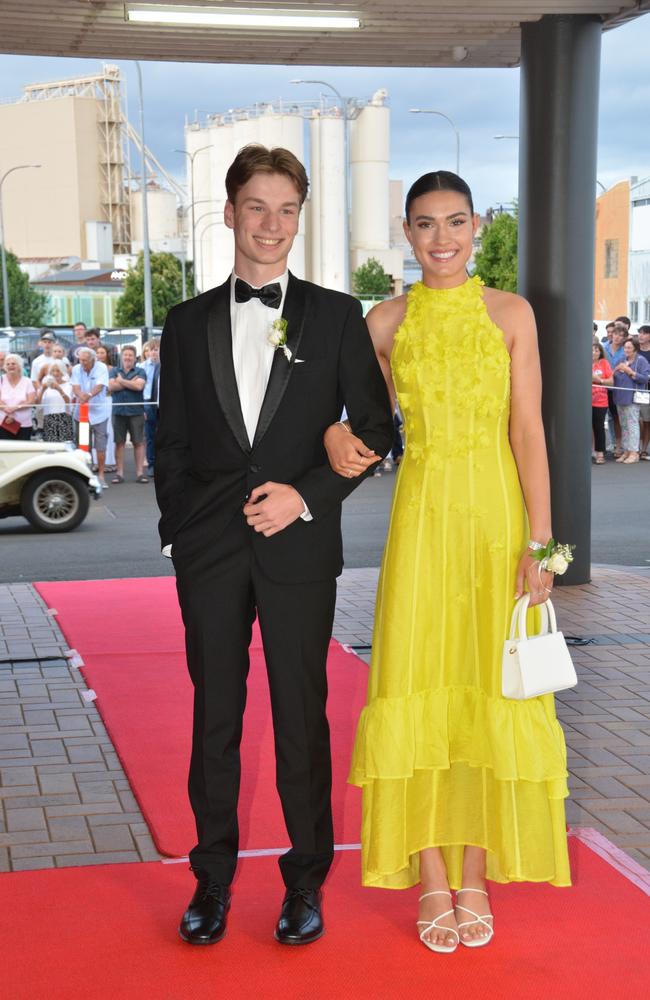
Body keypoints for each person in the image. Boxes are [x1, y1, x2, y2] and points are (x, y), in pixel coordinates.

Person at [155, 144, 393, 949]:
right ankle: (211, 883)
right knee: (215, 719)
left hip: (299, 548)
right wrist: (179, 535)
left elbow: (374, 427)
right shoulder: (184, 324)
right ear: (229, 213)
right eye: (257, 206)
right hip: (210, 555)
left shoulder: (335, 316)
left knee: (301, 718)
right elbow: (172, 441)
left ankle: (304, 884)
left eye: (287, 210)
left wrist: (307, 496)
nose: (272, 224)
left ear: (301, 217)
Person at [326, 171, 570, 953]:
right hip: (423, 522)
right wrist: (334, 437)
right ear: (407, 233)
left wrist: (545, 543)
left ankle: (474, 874)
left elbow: (529, 429)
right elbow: (362, 421)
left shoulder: (511, 314)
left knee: (487, 685)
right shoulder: (383, 322)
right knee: (415, 681)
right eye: (426, 225)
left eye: (456, 222)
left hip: (498, 522)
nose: (442, 239)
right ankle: (431, 875)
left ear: (476, 227)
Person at [71, 347, 111, 487]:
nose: (82, 363)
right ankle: (85, 475)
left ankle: (101, 475)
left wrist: (87, 395)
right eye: (80, 360)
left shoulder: (101, 368)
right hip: (81, 413)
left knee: (101, 446)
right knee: (83, 446)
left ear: (92, 359)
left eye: (85, 360)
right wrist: (80, 395)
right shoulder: (76, 368)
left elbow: (100, 386)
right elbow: (75, 387)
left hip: (99, 413)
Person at [108, 345, 148, 483]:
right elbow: (111, 387)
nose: (128, 357)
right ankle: (119, 474)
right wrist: (130, 382)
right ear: (122, 356)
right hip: (119, 412)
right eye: (125, 355)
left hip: (136, 411)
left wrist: (121, 381)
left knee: (138, 442)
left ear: (134, 357)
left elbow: (139, 386)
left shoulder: (141, 371)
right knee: (119, 443)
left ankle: (140, 473)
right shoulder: (114, 370)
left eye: (130, 355)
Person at [612, 336, 650, 464]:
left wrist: (630, 371)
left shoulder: (641, 360)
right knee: (624, 425)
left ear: (635, 349)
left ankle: (634, 452)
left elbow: (645, 378)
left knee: (632, 424)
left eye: (629, 348)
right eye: (625, 347)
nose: (626, 350)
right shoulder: (622, 359)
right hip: (620, 396)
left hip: (632, 397)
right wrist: (616, 369)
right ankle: (626, 450)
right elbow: (615, 376)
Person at [603, 322, 627, 455]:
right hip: (602, 387)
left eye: (621, 336)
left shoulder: (625, 350)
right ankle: (603, 446)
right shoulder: (603, 347)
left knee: (616, 417)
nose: (617, 337)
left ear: (624, 338)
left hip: (617, 388)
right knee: (599, 418)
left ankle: (619, 446)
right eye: (616, 334)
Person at [35, 360, 73, 442]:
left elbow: (68, 401)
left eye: (58, 370)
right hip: (49, 418)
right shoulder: (45, 386)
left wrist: (59, 389)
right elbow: (38, 403)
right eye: (53, 371)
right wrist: (42, 390)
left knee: (64, 446)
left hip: (64, 417)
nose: (55, 373)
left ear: (63, 372)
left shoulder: (68, 385)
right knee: (51, 447)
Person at [0, 352, 36, 439]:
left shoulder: (27, 381)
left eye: (13, 363)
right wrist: (7, 410)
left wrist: (15, 408)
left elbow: (31, 401)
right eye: (7, 364)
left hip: (24, 424)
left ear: (19, 366)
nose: (10, 366)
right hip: (3, 422)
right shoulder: (1, 380)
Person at [592, 342, 613, 464]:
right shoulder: (583, 362)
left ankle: (600, 453)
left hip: (600, 401)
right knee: (586, 427)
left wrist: (599, 380)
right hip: (585, 401)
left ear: (600, 352)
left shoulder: (604, 363)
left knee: (599, 427)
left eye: (596, 350)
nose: (594, 352)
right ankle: (590, 451)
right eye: (592, 350)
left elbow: (611, 381)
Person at [142, 337, 160, 476]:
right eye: (152, 350)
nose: (154, 353)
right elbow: (140, 389)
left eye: (157, 349)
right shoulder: (142, 367)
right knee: (150, 437)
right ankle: (152, 464)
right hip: (148, 405)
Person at [637, 325, 650, 460]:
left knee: (646, 421)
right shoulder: (635, 351)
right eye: (639, 333)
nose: (641, 335)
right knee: (636, 421)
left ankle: (644, 449)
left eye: (644, 333)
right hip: (634, 390)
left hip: (647, 391)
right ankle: (636, 447)